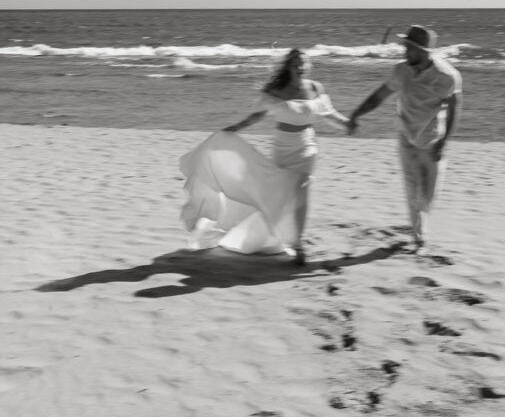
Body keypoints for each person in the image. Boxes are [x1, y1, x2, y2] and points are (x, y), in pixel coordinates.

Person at [180, 49, 348, 265]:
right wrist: (233, 129)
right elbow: (257, 116)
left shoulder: (315, 88)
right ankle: (273, 235)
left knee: (302, 186)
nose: (300, 67)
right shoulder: (277, 90)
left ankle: (297, 244)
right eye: (296, 63)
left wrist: (346, 124)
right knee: (282, 193)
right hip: (282, 147)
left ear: (309, 65)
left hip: (307, 146)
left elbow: (329, 114)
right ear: (288, 66)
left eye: (304, 63)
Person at [347, 24, 462, 255]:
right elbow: (380, 95)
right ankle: (420, 239)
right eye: (405, 46)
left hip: (431, 141)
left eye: (409, 47)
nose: (404, 50)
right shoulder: (400, 71)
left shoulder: (447, 76)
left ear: (424, 51)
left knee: (429, 195)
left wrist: (444, 141)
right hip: (406, 137)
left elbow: (454, 109)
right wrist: (357, 114)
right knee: (412, 191)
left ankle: (420, 230)